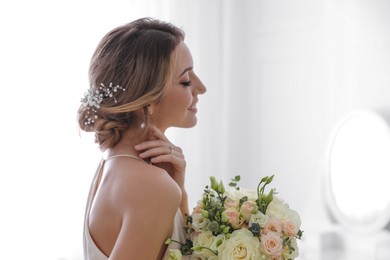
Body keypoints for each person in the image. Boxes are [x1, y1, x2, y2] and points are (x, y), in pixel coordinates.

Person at [77, 17, 206, 259]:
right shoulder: (150, 186)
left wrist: (180, 195)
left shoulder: (112, 165)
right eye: (186, 80)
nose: (201, 87)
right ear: (148, 101)